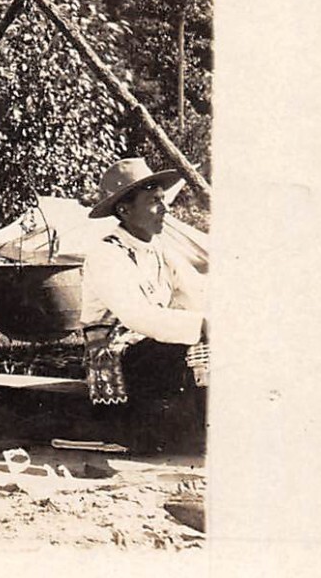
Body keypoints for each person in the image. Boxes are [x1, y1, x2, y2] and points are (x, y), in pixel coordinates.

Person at [81, 157, 208, 455]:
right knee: (200, 342)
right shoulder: (106, 254)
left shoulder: (160, 250)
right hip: (116, 362)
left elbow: (197, 292)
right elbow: (137, 316)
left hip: (151, 353)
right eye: (154, 201)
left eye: (163, 199)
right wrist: (203, 325)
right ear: (124, 211)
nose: (165, 209)